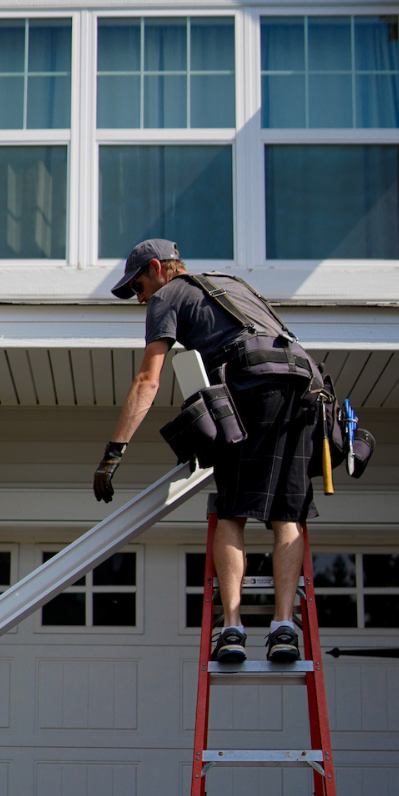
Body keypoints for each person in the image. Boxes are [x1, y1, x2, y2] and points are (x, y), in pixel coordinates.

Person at [94, 238, 317, 664]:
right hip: (305, 385)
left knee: (232, 509)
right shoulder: (230, 284)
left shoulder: (169, 295)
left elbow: (148, 381)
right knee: (286, 514)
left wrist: (113, 452)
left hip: (252, 384)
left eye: (138, 287)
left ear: (158, 269)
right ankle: (284, 627)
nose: (141, 299)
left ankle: (232, 627)